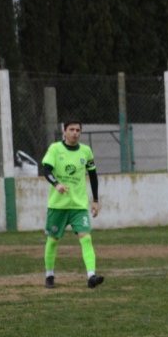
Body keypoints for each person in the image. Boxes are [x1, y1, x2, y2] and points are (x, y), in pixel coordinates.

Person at [40, 120, 104, 289]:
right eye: (71, 129)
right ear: (64, 132)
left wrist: (95, 200)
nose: (75, 133)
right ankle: (49, 275)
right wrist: (57, 185)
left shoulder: (86, 151)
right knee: (53, 240)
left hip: (78, 206)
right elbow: (46, 169)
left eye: (78, 130)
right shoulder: (55, 149)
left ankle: (91, 276)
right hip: (57, 205)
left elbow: (93, 175)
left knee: (86, 238)